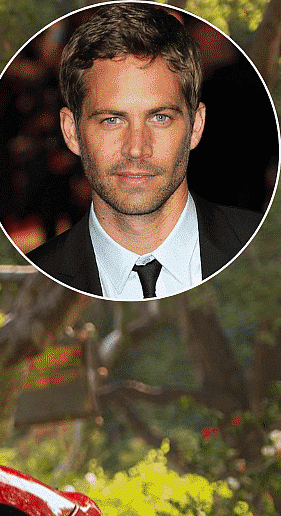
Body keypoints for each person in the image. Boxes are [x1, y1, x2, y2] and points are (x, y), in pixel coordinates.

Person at [26, 3, 262, 300]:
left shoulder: (264, 250)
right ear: (71, 132)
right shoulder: (39, 282)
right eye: (112, 120)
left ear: (196, 126)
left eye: (160, 117)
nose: (136, 148)